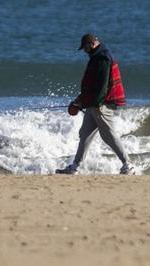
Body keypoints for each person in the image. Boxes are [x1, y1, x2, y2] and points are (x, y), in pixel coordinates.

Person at [56, 33, 132, 175]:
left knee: (109, 135)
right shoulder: (96, 56)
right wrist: (79, 101)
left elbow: (102, 86)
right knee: (84, 134)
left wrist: (96, 104)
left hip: (102, 104)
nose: (84, 50)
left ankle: (128, 164)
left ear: (92, 44)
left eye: (85, 47)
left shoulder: (103, 58)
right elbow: (91, 86)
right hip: (94, 104)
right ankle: (75, 167)